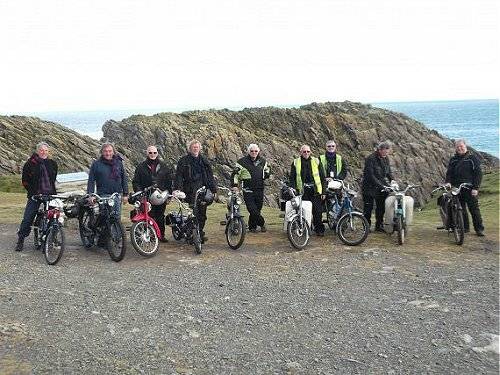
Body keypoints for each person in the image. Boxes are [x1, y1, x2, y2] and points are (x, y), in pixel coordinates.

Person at [15, 142, 58, 251]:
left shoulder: (52, 163)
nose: (44, 152)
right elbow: (24, 181)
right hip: (35, 195)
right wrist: (32, 192)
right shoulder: (30, 163)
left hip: (50, 195)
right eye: (41, 150)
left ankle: (49, 238)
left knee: (54, 217)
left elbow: (53, 178)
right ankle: (21, 239)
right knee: (28, 218)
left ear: (48, 152)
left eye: (46, 150)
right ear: (37, 151)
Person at [174, 140, 217, 242]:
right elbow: (179, 176)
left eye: (197, 147)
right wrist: (178, 189)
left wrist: (213, 190)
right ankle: (192, 233)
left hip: (203, 190)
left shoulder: (204, 161)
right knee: (193, 213)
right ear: (190, 148)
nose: (195, 148)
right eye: (193, 147)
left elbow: (210, 176)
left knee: (202, 214)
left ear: (199, 148)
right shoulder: (183, 161)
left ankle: (199, 233)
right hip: (189, 190)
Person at [132, 145, 174, 242]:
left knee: (160, 216)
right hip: (146, 195)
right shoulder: (140, 167)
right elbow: (136, 182)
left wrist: (169, 194)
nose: (152, 154)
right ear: (147, 153)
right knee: (149, 216)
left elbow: (169, 181)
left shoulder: (164, 166)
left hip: (161, 195)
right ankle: (150, 236)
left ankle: (161, 235)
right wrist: (139, 192)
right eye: (150, 152)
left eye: (154, 152)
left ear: (157, 153)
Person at [445, 139, 484, 236]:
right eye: (457, 147)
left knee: (474, 209)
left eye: (461, 146)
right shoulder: (453, 159)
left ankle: (479, 229)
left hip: (469, 188)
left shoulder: (472, 158)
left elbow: (478, 174)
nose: (459, 148)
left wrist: (476, 188)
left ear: (465, 146)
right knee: (460, 208)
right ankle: (465, 228)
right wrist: (448, 182)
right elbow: (449, 173)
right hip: (456, 188)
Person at [231, 144, 271, 233]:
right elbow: (235, 174)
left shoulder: (263, 161)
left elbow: (268, 169)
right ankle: (262, 223)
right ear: (249, 152)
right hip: (247, 190)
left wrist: (266, 174)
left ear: (258, 152)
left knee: (257, 209)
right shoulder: (242, 162)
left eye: (256, 151)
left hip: (260, 189)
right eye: (252, 151)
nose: (254, 153)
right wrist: (234, 185)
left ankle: (252, 227)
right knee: (252, 209)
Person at [289, 144, 326, 236]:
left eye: (308, 151)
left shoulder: (316, 161)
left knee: (317, 212)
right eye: (304, 151)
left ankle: (319, 229)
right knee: (303, 212)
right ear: (300, 152)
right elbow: (292, 178)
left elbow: (322, 178)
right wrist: (293, 188)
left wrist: (324, 192)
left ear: (310, 152)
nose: (306, 153)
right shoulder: (295, 162)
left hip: (315, 191)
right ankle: (304, 229)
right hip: (302, 191)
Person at [87, 142, 129, 215]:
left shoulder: (118, 163)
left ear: (113, 152)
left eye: (110, 151)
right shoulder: (96, 164)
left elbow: (124, 178)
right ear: (102, 152)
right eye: (105, 151)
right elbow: (91, 181)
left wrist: (125, 194)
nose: (108, 153)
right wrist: (90, 195)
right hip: (103, 196)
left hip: (117, 195)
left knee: (116, 218)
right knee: (105, 219)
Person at [361, 141, 394, 232]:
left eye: (387, 152)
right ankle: (366, 227)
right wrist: (381, 186)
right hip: (369, 187)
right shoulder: (370, 159)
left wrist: (393, 181)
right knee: (368, 208)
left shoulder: (385, 158)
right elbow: (370, 175)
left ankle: (379, 225)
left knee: (381, 207)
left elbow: (388, 172)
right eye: (385, 151)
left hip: (381, 187)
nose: (386, 153)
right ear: (379, 150)